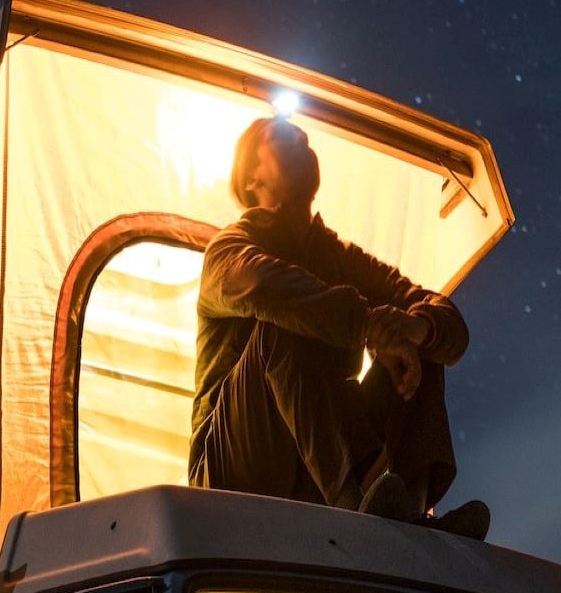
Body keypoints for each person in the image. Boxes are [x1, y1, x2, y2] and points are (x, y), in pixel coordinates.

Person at [189, 116, 489, 539]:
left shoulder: (337, 257)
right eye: (281, 134)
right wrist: (366, 325)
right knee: (286, 316)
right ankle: (359, 505)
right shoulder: (229, 249)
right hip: (232, 474)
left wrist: (414, 327)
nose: (302, 136)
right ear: (250, 174)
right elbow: (260, 284)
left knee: (416, 339)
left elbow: (449, 325)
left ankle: (413, 516)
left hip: (319, 462)